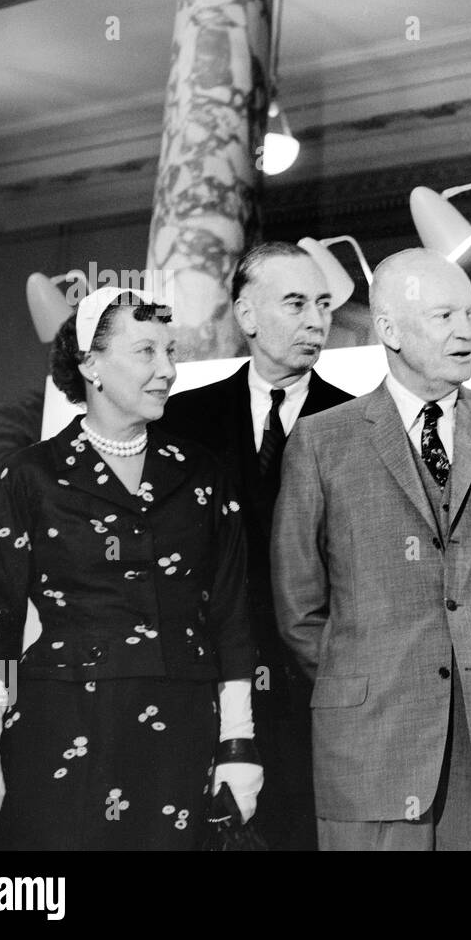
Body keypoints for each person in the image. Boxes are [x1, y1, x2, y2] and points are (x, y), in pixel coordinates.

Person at [272, 248, 471, 851]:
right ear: (388, 329)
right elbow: (298, 605)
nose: (468, 331)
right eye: (445, 316)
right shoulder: (321, 442)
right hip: (370, 745)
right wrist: (366, 675)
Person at [0, 287, 262, 851]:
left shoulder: (201, 475)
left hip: (182, 727)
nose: (167, 369)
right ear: (90, 364)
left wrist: (238, 744)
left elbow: (232, 615)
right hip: (58, 723)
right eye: (146, 351)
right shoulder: (31, 476)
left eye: (171, 351)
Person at [158, 241, 352, 850]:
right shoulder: (180, 421)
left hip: (316, 701)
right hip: (203, 690)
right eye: (295, 303)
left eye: (323, 304)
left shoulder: (359, 425)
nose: (316, 320)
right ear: (246, 316)